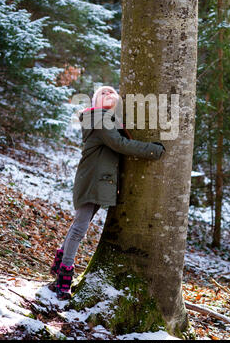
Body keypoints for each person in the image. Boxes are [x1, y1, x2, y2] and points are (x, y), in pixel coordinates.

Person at [50, 86, 166, 300]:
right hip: (91, 180)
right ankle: (64, 278)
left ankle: (59, 266)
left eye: (112, 92)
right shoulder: (99, 118)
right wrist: (153, 150)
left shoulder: (109, 119)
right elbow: (119, 144)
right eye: (103, 93)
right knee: (79, 229)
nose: (108, 94)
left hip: (96, 180)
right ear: (95, 101)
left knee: (78, 225)